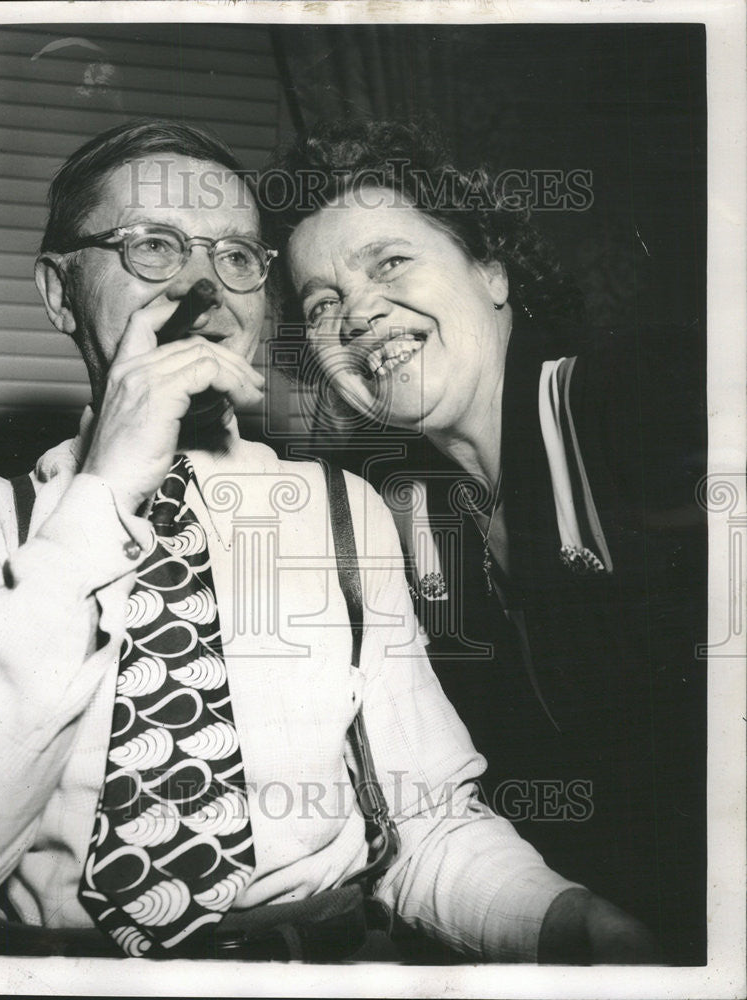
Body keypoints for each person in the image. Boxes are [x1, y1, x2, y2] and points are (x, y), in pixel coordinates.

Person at [0, 118, 652, 965]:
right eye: (152, 246)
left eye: (238, 257)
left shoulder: (344, 514)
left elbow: (423, 828)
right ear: (59, 292)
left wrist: (569, 923)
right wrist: (102, 496)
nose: (202, 286)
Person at [265, 118, 707, 964]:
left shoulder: (645, 399)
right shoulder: (410, 520)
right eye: (322, 303)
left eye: (388, 262)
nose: (356, 311)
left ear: (492, 271)